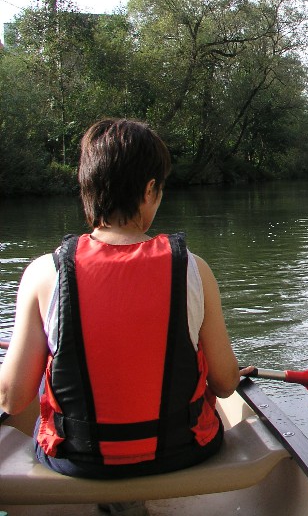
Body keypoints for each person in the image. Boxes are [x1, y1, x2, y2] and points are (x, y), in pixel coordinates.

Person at [0, 118, 252, 481]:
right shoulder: (193, 269)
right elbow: (226, 383)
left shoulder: (43, 272)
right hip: (183, 453)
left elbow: (12, 399)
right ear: (150, 189)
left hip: (77, 461)